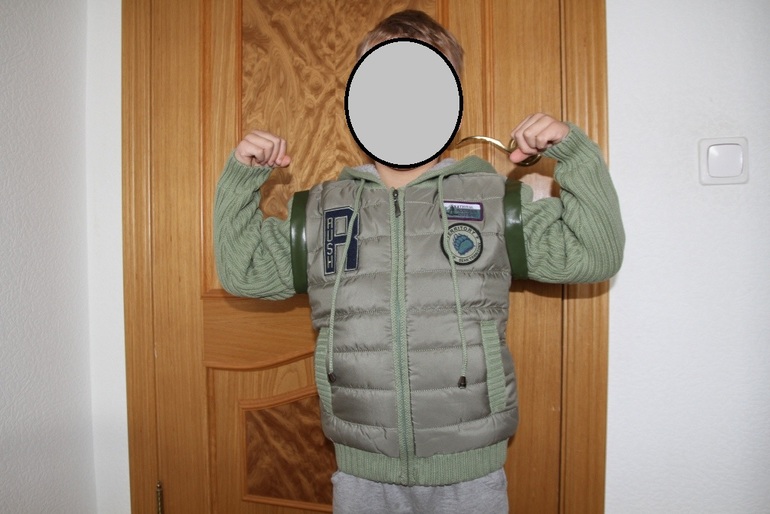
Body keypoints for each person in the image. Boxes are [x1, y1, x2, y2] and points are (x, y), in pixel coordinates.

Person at [214, 10, 624, 514]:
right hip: (363, 471)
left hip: (470, 472)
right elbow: (245, 270)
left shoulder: (492, 200)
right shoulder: (325, 209)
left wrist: (574, 155)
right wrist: (242, 178)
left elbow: (594, 254)